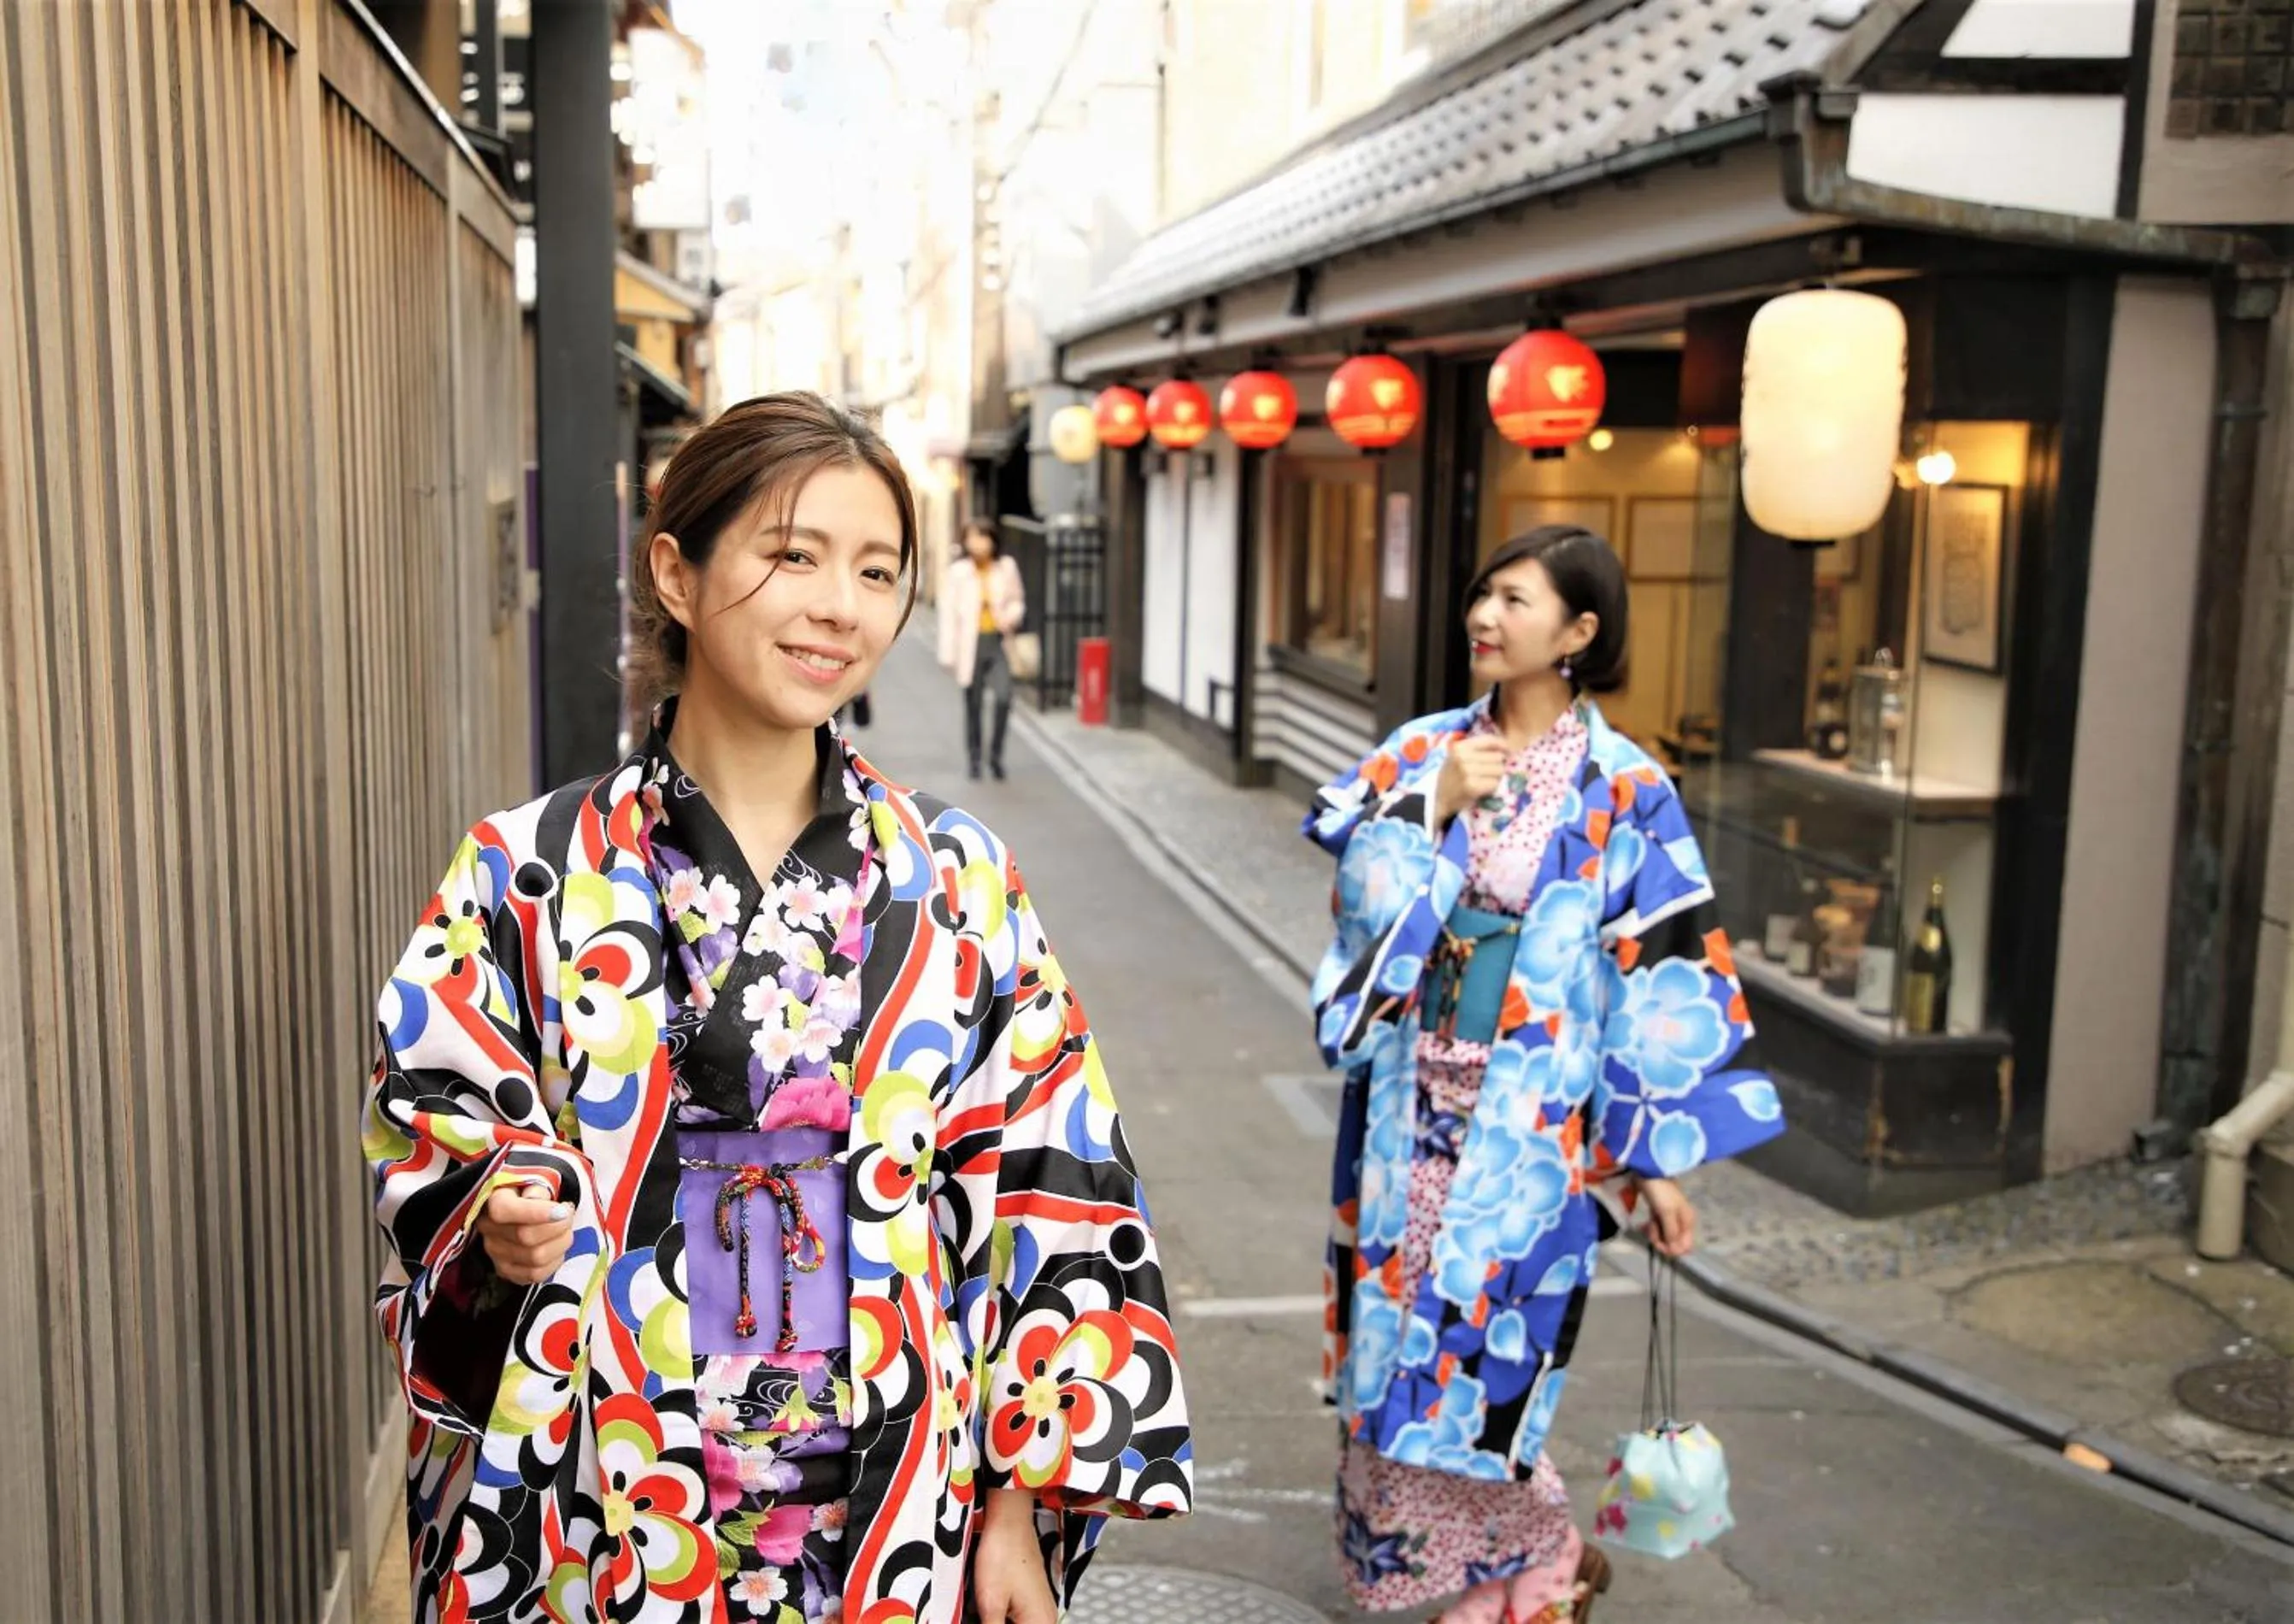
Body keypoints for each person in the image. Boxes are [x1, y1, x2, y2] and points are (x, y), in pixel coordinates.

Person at [364, 392, 1191, 1624]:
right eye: (791, 555)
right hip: (618, 1486)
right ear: (677, 574)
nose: (839, 606)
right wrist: (494, 1214)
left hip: (893, 1493)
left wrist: (1017, 1503)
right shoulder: (525, 869)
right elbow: (434, 1115)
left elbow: (1046, 1180)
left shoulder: (955, 876)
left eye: (876, 571)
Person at [1303, 526, 1784, 1624]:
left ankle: (1538, 1559)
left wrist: (1650, 1164)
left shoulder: (1626, 787)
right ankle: (1507, 1566)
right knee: (1390, 1347)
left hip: (1531, 1130)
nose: (1486, 614)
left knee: (1480, 1360)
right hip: (1406, 1108)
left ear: (1577, 632)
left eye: (1516, 600)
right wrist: (1426, 806)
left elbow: (1650, 984)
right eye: (1484, 592)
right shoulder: (1424, 748)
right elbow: (1356, 895)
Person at [942, 521, 1026, 780]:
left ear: (992, 540)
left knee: (1004, 697)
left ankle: (996, 756)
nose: (977, 544)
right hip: (970, 643)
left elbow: (1017, 600)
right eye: (972, 538)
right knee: (974, 704)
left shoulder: (1006, 567)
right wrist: (948, 653)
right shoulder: (958, 572)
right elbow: (948, 613)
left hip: (998, 640)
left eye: (982, 538)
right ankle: (975, 758)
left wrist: (1009, 617)